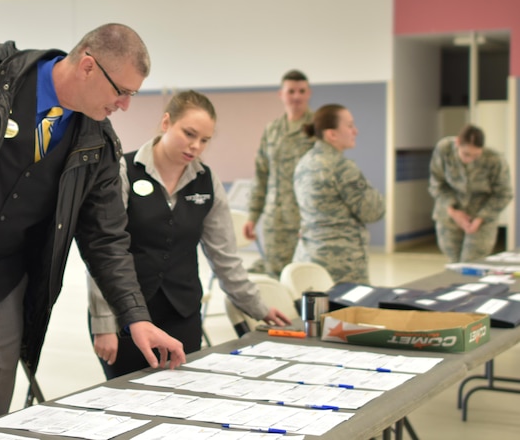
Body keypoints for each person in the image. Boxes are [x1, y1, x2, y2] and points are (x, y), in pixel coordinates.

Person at [0, 23, 186, 426]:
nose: (125, 105)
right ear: (88, 66)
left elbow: (106, 238)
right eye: (122, 91)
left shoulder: (99, 144)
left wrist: (136, 316)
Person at [87, 90, 292, 379]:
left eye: (204, 140)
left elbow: (226, 259)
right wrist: (103, 324)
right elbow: (103, 252)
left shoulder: (207, 181)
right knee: (129, 400)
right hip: (126, 316)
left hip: (182, 314)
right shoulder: (122, 171)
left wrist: (259, 309)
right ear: (167, 122)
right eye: (189, 134)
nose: (195, 146)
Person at [292, 104, 384, 284]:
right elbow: (374, 211)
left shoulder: (304, 162)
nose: (355, 131)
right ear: (331, 134)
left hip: (309, 256)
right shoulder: (341, 167)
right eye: (349, 126)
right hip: (342, 265)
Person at [244, 70, 315, 276]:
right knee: (276, 274)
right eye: (291, 91)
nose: (296, 96)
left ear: (308, 93)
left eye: (301, 91)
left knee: (306, 275)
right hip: (276, 220)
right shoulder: (272, 130)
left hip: (307, 217)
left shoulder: (317, 128)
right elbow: (261, 175)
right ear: (281, 94)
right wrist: (252, 216)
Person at [429, 124, 512, 263]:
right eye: (466, 154)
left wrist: (480, 218)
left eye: (475, 155)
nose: (470, 159)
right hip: (450, 216)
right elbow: (437, 184)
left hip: (481, 218)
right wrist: (453, 212)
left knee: (472, 262)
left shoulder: (495, 159)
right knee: (454, 264)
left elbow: (504, 194)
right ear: (457, 143)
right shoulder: (444, 150)